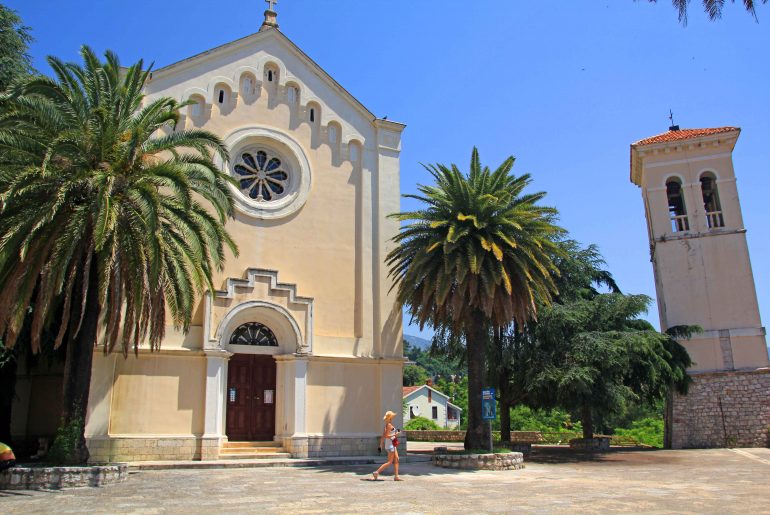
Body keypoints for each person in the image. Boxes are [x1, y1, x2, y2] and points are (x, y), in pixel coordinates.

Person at [372, 410, 403, 481]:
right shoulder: (389, 425)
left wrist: (381, 445)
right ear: (390, 417)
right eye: (392, 416)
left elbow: (383, 436)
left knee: (397, 459)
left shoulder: (387, 425)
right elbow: (387, 436)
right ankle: (376, 472)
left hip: (391, 445)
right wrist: (396, 434)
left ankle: (396, 476)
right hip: (391, 446)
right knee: (389, 462)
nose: (393, 417)